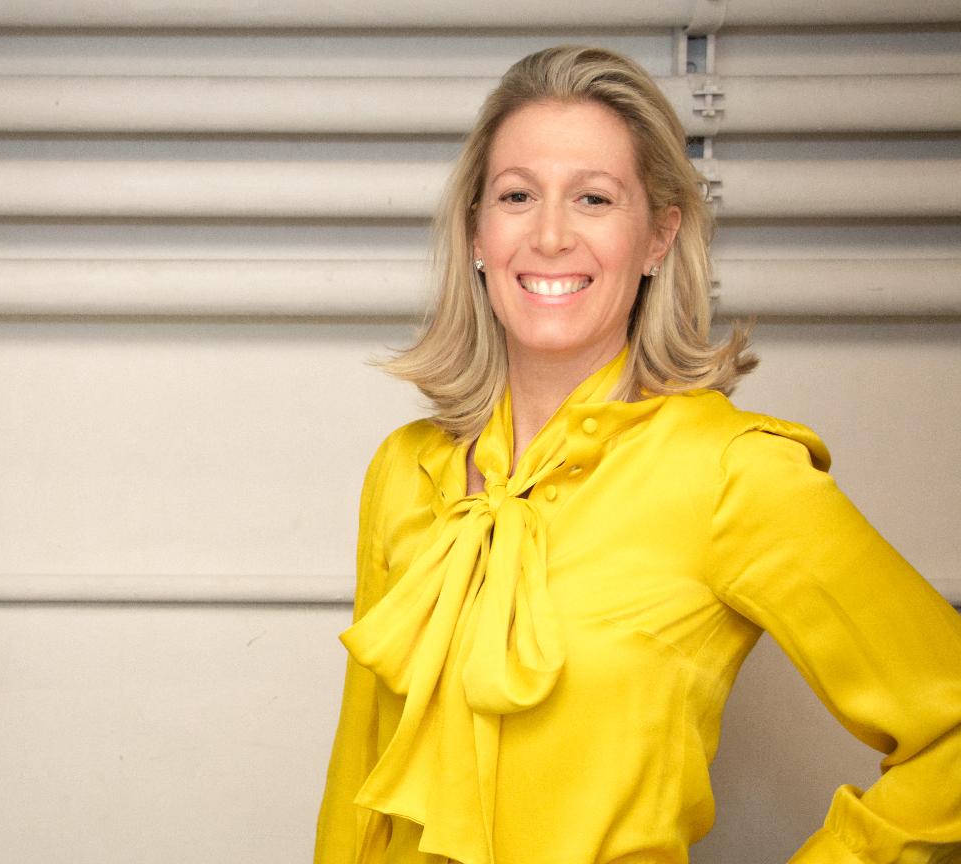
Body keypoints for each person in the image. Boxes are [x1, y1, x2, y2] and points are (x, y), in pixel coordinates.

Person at [314, 45, 961, 864]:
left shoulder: (731, 472)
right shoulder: (403, 472)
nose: (551, 235)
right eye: (517, 196)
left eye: (594, 198)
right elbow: (358, 785)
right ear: (477, 231)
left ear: (658, 237)